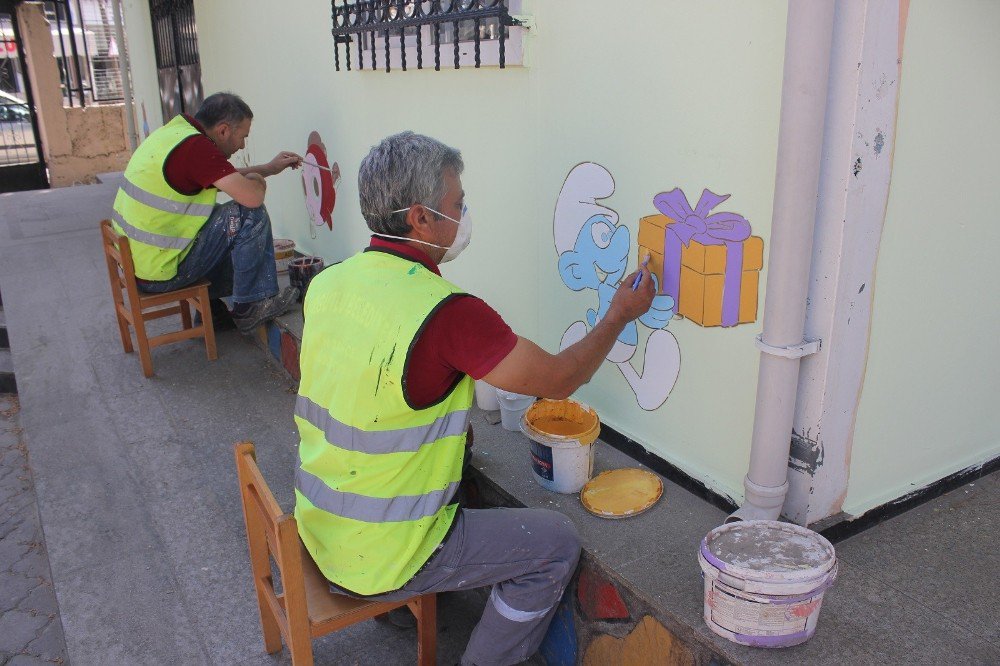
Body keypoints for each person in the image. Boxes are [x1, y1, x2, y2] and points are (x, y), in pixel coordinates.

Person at [293, 132, 656, 666]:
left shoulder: (331, 282)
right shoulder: (447, 312)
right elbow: (557, 381)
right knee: (554, 543)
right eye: (457, 205)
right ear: (419, 218)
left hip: (320, 525)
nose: (465, 216)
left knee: (463, 460)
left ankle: (403, 605)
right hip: (386, 553)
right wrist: (618, 316)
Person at [111, 92, 300, 333]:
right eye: (243, 137)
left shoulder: (176, 133)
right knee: (248, 215)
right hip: (162, 272)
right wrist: (257, 180)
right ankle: (252, 305)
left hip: (143, 263)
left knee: (221, 221)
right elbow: (251, 197)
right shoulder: (197, 149)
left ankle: (211, 310)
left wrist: (268, 169)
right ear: (223, 131)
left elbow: (222, 176)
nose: (242, 145)